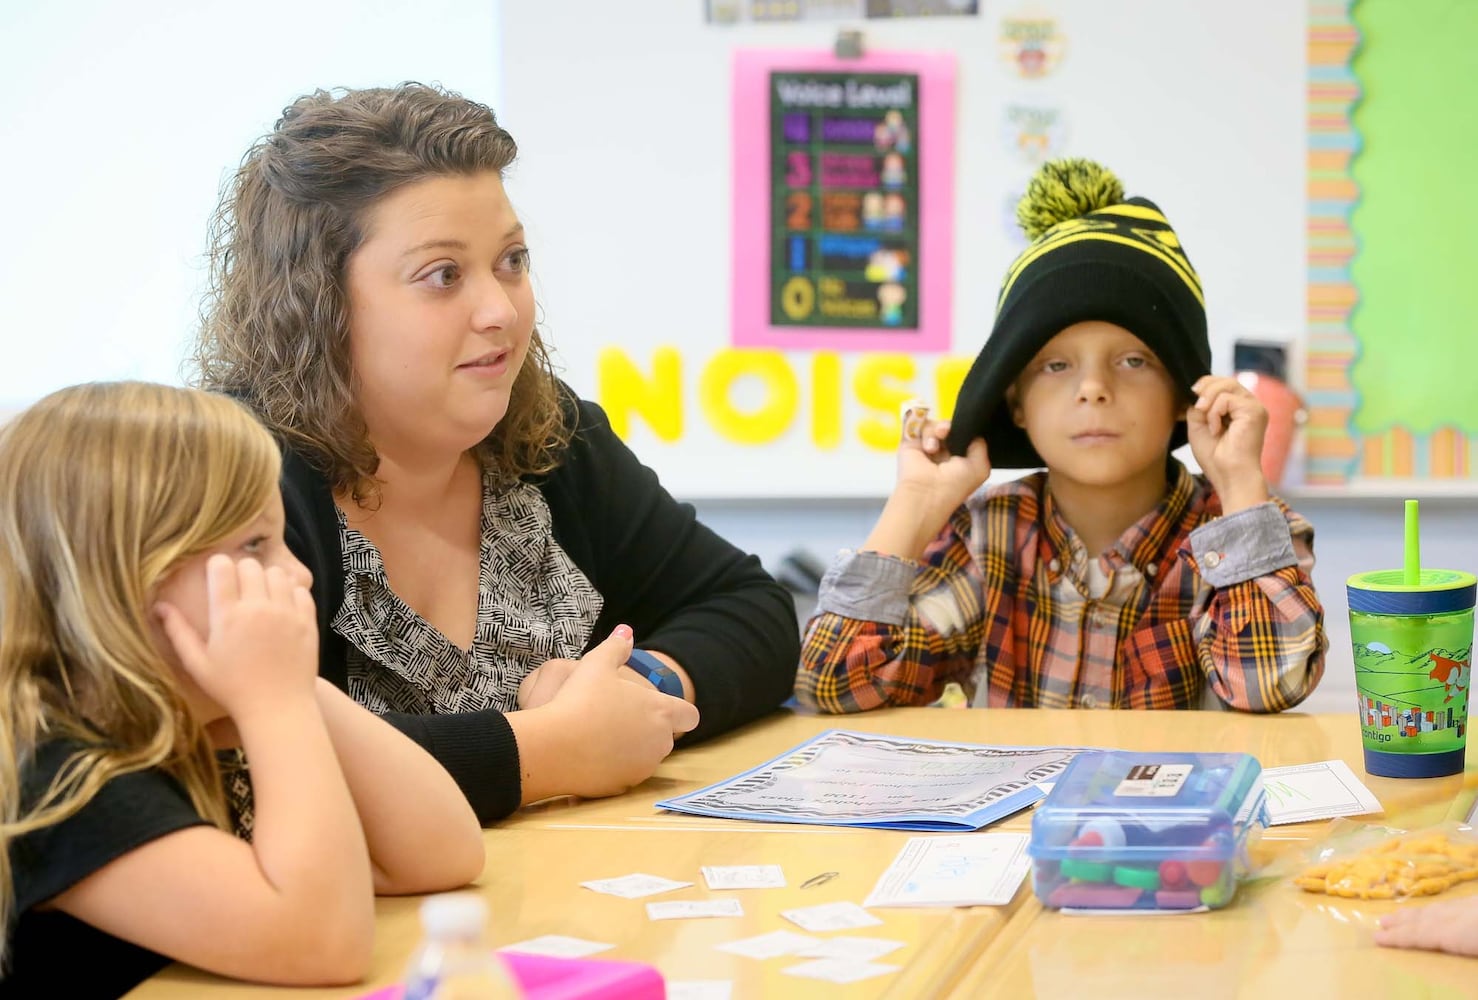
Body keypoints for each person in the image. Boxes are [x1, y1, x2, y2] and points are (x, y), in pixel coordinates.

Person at [192, 83, 799, 823]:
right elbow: (246, 766)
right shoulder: (232, 480)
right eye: (443, 275)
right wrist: (549, 748)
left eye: (511, 260)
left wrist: (639, 685)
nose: (501, 309)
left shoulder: (549, 437)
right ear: (317, 303)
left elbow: (752, 611)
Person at [0, 383, 485, 998]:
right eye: (255, 546)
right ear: (130, 581)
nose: (299, 574)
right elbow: (323, 942)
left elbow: (444, 855)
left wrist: (298, 689)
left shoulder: (202, 721)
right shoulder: (54, 772)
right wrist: (276, 705)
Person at [795, 158, 1326, 713]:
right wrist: (915, 503)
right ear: (1015, 404)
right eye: (1055, 367)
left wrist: (1241, 481)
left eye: (1133, 360)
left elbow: (1269, 682)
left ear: (1182, 396)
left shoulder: (1246, 528)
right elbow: (834, 685)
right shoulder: (985, 537)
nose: (1093, 389)